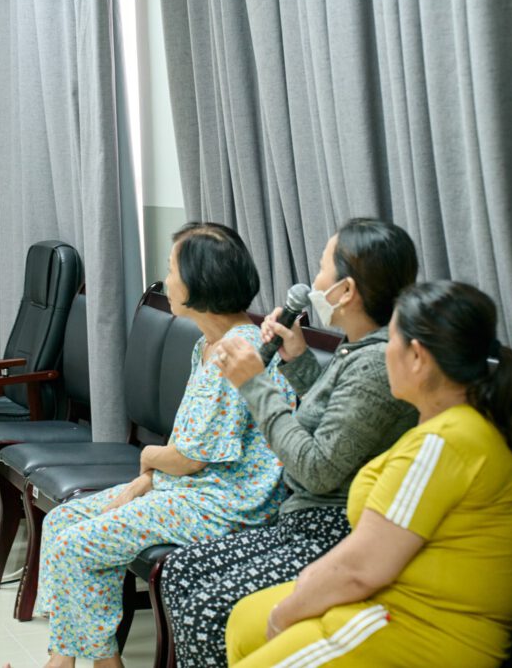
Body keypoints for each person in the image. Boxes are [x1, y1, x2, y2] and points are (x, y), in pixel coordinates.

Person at [226, 280, 512, 667]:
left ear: (417, 357)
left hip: (419, 630)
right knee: (245, 619)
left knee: (265, 623)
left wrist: (285, 615)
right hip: (389, 602)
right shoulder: (444, 429)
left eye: (391, 340)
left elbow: (359, 570)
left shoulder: (446, 443)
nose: (383, 352)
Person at [34, 223, 296, 668]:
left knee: (77, 545)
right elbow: (188, 438)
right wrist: (147, 480)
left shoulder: (239, 352)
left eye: (172, 269)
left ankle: (90, 665)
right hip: (187, 490)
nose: (167, 279)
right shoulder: (208, 346)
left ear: (199, 282)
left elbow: (190, 458)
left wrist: (147, 459)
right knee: (63, 522)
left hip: (225, 504)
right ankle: (68, 659)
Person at [161, 218, 420, 667]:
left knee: (207, 607)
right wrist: (297, 359)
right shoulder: (357, 349)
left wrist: (255, 384)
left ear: (345, 291)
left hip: (332, 531)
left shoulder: (376, 364)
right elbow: (337, 420)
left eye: (322, 269)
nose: (312, 281)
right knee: (180, 571)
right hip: (301, 519)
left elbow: (317, 469)